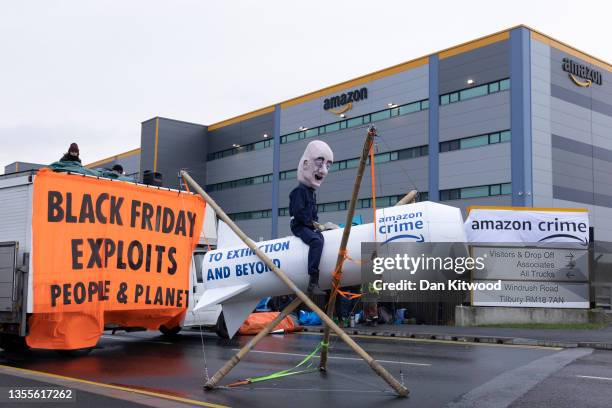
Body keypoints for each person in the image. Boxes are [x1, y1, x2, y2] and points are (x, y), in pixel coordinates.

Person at [289, 140, 337, 296]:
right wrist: (312, 224)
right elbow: (298, 213)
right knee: (316, 241)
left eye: (328, 166)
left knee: (321, 238)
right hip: (300, 226)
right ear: (305, 164)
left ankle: (315, 280)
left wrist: (319, 226)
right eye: (320, 163)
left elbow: (312, 213)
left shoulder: (311, 193)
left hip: (308, 225)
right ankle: (312, 279)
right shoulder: (299, 192)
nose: (324, 171)